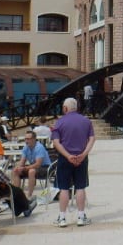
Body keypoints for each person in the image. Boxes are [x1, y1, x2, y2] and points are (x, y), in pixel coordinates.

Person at [51, 97, 95, 227]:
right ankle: (81, 216)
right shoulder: (86, 121)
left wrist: (68, 156)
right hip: (81, 158)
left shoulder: (59, 122)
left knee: (64, 188)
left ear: (65, 108)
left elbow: (56, 142)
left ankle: (62, 218)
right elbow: (92, 139)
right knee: (80, 187)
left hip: (65, 158)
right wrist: (83, 154)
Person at [12, 131, 50, 198]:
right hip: (33, 166)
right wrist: (19, 168)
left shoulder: (39, 147)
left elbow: (38, 164)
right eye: (25, 139)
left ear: (34, 139)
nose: (26, 141)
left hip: (45, 167)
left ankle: (29, 196)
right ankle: (16, 195)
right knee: (15, 170)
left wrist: (24, 168)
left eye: (28, 139)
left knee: (31, 171)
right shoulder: (25, 148)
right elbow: (22, 162)